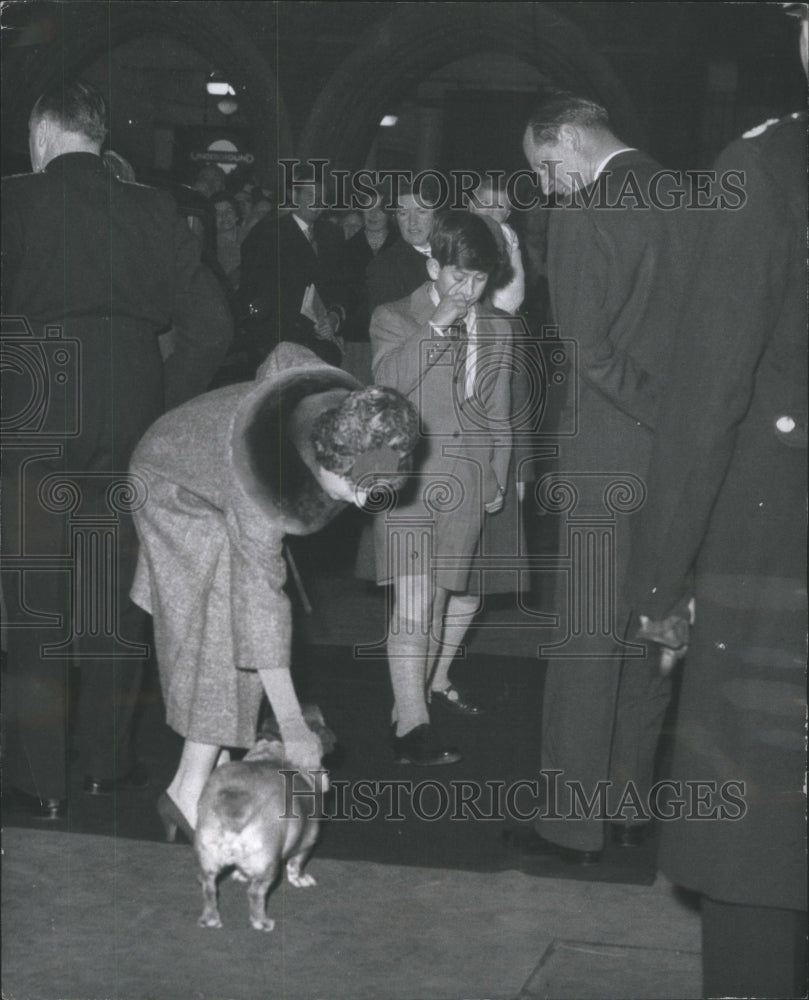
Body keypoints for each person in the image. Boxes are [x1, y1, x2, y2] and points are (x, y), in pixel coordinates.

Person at [626, 9, 808, 995]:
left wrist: (660, 575)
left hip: (773, 553)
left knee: (757, 844)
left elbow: (706, 397)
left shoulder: (766, 171)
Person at [1, 79, 232, 818]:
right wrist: (161, 403)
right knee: (114, 593)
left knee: (37, 597)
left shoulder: (15, 200)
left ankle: (41, 781)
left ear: (42, 137)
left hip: (37, 397)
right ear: (101, 139)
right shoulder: (154, 208)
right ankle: (105, 761)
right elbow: (212, 329)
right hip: (132, 397)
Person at [505, 89, 692, 862]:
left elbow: (585, 349)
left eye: (544, 167)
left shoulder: (584, 211)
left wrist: (656, 414)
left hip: (608, 452)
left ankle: (570, 822)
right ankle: (627, 802)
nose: (545, 187)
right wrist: (686, 427)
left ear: (572, 141)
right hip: (679, 462)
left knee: (585, 635)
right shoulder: (684, 196)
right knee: (651, 625)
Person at [129, 341, 419, 836]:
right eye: (351, 491)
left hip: (212, 466)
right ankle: (186, 791)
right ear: (323, 461)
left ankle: (195, 782)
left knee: (228, 636)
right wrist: (292, 726)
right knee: (225, 632)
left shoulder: (336, 404)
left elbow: (284, 353)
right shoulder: (260, 484)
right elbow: (261, 610)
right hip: (170, 483)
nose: (362, 504)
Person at [368, 210, 513, 765]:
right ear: (433, 265)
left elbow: (499, 412)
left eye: (479, 280)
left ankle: (410, 705)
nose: (469, 290)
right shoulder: (394, 317)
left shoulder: (497, 327)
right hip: (408, 479)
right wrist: (436, 326)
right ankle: (411, 726)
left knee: (438, 602)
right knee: (412, 602)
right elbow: (387, 383)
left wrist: (497, 473)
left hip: (470, 478)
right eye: (459, 276)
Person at [239, 172, 347, 370]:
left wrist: (334, 317)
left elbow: (339, 286)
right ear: (293, 196)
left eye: (322, 197)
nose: (317, 202)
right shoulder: (269, 233)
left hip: (323, 345)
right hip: (280, 343)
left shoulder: (332, 235)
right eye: (309, 195)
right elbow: (256, 293)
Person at [340, 185, 399, 385]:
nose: (373, 214)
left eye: (380, 209)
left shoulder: (401, 247)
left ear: (389, 213)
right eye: (368, 207)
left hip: (393, 337)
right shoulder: (347, 250)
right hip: (357, 338)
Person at [366, 178, 437, 313]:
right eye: (403, 213)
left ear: (436, 214)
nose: (412, 222)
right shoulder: (384, 267)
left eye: (421, 212)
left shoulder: (453, 253)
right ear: (395, 217)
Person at [467, 176, 525, 315]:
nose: (490, 210)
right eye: (484, 202)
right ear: (470, 206)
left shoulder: (505, 232)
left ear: (507, 215)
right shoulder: (467, 231)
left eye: (499, 206)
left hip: (500, 309)